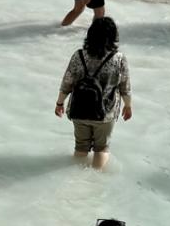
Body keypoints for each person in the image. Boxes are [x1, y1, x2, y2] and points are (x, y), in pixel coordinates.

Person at [54, 17, 132, 170]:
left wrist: (59, 103)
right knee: (102, 148)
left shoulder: (78, 56)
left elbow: (67, 83)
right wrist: (128, 106)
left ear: (90, 34)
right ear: (113, 36)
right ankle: (94, 180)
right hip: (105, 114)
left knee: (80, 147)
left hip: (79, 111)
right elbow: (125, 87)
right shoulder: (118, 59)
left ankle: (75, 176)